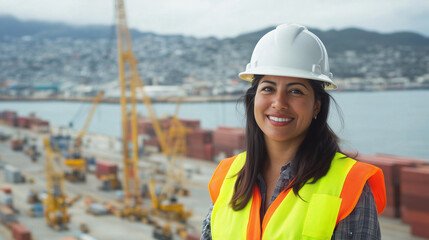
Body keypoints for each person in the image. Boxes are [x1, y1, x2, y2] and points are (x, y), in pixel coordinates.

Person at [201, 23, 386, 240]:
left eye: (295, 91)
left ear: (317, 105)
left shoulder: (349, 184)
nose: (279, 103)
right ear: (253, 100)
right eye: (268, 88)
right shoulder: (228, 176)